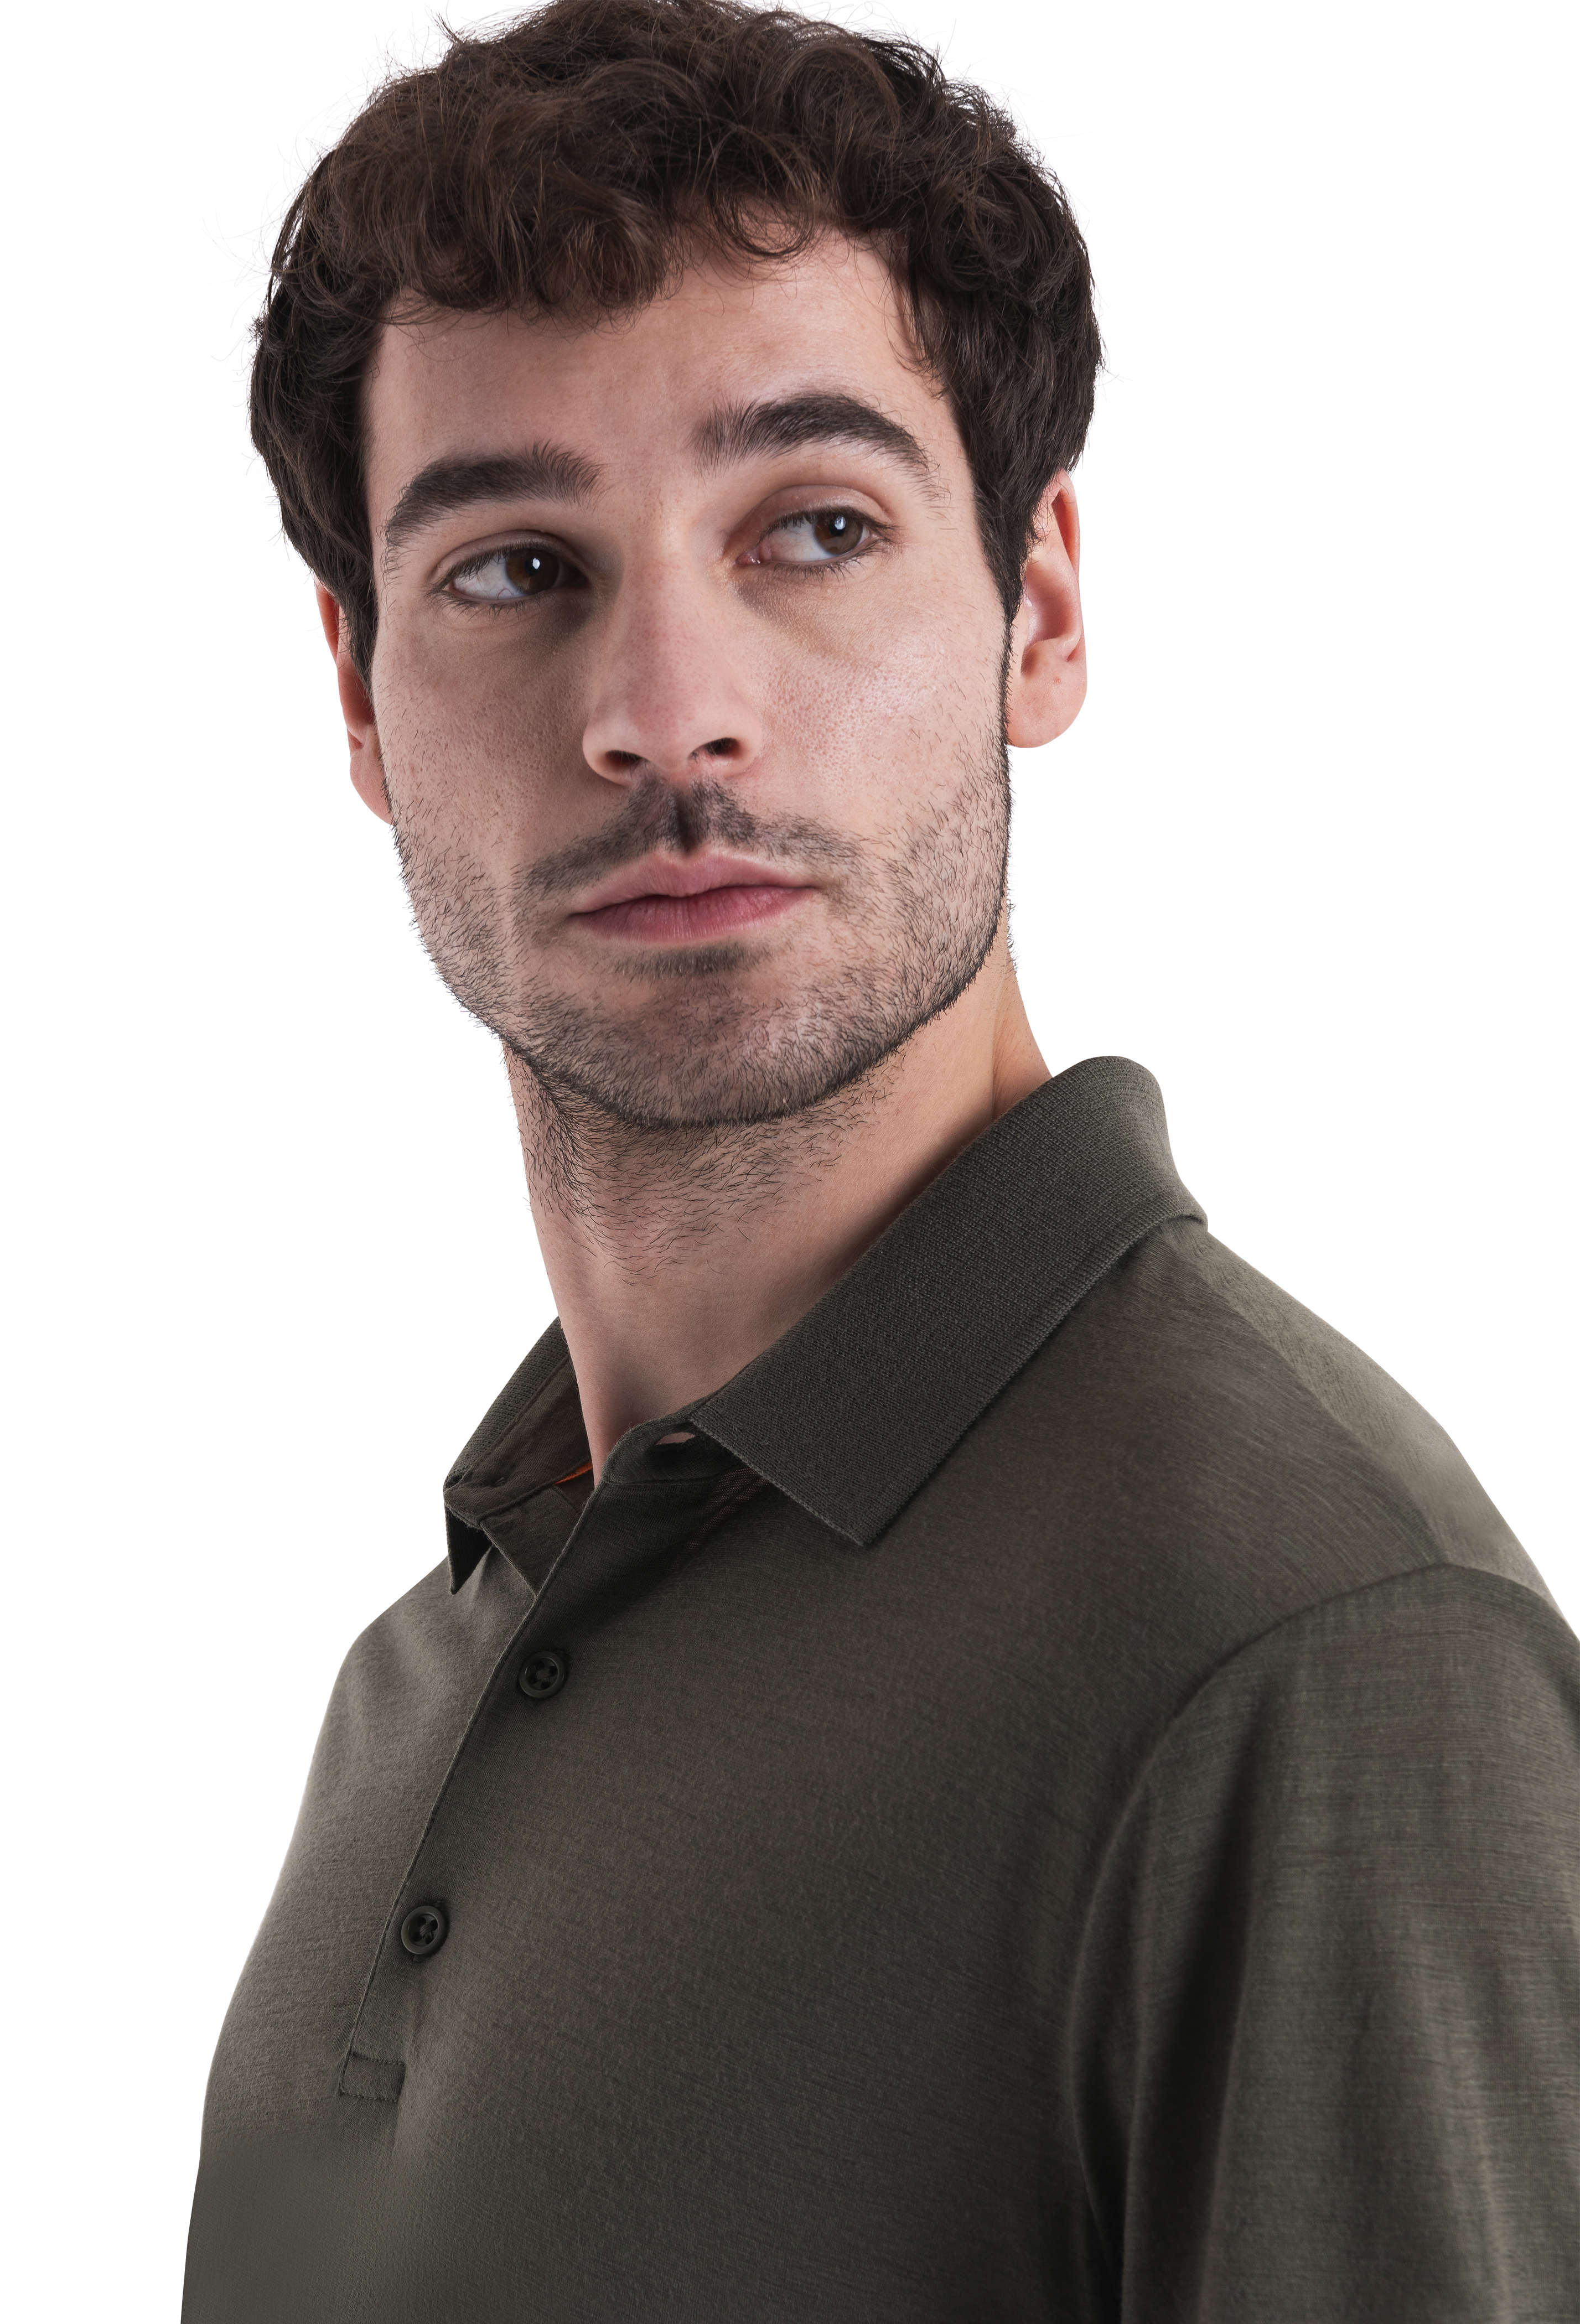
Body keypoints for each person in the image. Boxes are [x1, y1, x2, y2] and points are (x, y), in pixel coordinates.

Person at [181, 2, 1580, 2314]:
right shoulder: (429, 1665)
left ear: (1038, 609)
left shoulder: (1310, 1647)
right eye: (516, 569)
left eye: (814, 531)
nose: (667, 713)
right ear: (359, 696)